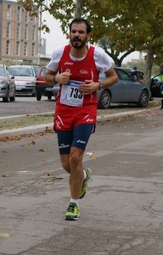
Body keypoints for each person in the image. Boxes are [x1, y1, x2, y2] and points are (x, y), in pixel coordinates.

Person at [45, 18, 118, 221]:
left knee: (76, 157)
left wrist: (98, 85)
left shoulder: (98, 55)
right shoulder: (60, 53)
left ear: (88, 35)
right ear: (70, 34)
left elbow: (114, 77)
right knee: (67, 164)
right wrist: (57, 79)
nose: (77, 35)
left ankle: (73, 204)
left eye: (81, 32)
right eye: (74, 32)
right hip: (64, 111)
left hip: (86, 111)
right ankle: (84, 176)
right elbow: (47, 76)